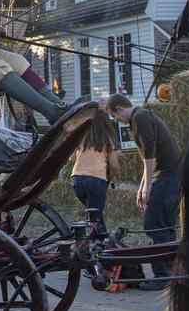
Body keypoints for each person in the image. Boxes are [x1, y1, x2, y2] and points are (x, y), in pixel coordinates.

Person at [106, 93, 179, 289]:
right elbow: (147, 160)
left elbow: (149, 155)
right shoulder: (143, 116)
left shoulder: (140, 118)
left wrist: (147, 187)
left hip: (167, 176)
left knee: (154, 224)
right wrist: (141, 186)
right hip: (168, 176)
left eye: (115, 116)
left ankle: (163, 276)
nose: (117, 121)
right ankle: (172, 271)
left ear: (119, 109)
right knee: (165, 226)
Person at [70, 110, 120, 232]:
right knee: (95, 219)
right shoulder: (107, 137)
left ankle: (102, 237)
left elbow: (71, 159)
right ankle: (97, 242)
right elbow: (114, 165)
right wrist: (115, 177)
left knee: (94, 215)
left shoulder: (81, 136)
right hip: (97, 180)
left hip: (77, 180)